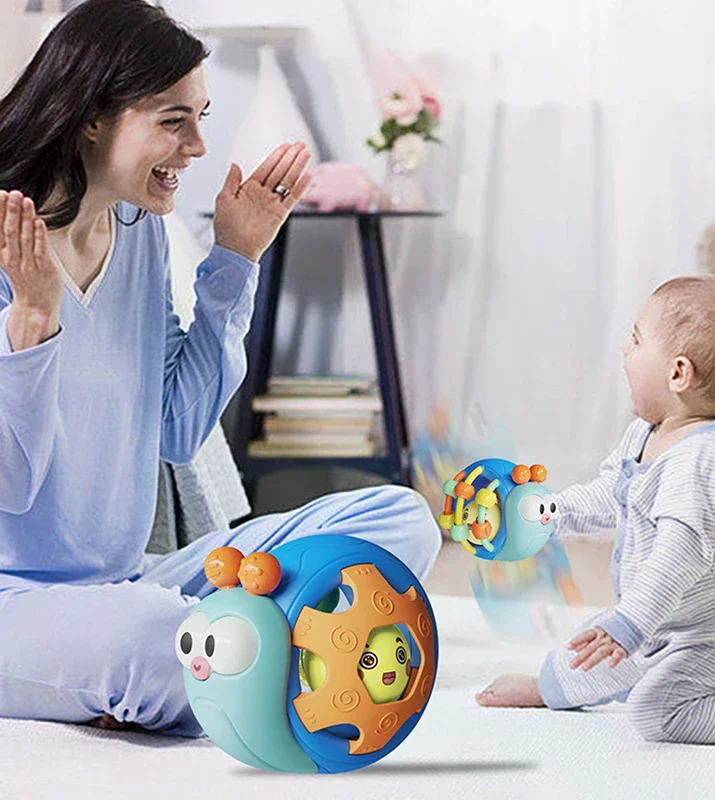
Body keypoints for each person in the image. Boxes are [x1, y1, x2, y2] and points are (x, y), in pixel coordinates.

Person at [0, 0, 440, 737]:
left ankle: (229, 654)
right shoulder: (7, 241)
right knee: (156, 641)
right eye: (174, 120)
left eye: (201, 116)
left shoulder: (137, 231)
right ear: (92, 118)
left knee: (399, 521)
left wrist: (235, 260)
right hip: (17, 601)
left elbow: (175, 428)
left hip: (131, 577)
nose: (199, 145)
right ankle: (236, 654)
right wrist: (35, 323)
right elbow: (12, 488)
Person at [476, 275, 715, 743]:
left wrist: (631, 623)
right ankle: (552, 688)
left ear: (677, 374)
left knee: (655, 711)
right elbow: (613, 493)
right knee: (591, 647)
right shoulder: (651, 431)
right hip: (671, 622)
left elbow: (678, 557)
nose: (624, 350)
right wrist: (548, 510)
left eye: (635, 339)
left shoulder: (707, 460)